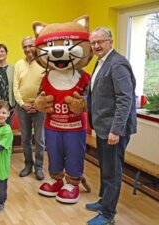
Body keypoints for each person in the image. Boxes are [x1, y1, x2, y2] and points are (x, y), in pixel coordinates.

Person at [86, 27, 137, 225]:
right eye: (93, 43)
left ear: (110, 42)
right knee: (106, 169)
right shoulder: (100, 62)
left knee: (113, 171)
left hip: (114, 130)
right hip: (102, 127)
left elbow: (125, 100)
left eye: (100, 41)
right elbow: (99, 92)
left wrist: (116, 130)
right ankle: (103, 202)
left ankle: (108, 214)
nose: (96, 46)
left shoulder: (118, 64)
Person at [13, 36, 46, 180]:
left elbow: (47, 86)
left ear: (36, 46)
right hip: (22, 107)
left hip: (40, 108)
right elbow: (15, 87)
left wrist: (37, 103)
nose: (28, 49)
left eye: (30, 46)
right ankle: (28, 164)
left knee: (39, 139)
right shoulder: (19, 64)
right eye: (25, 47)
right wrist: (22, 104)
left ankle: (39, 167)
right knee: (25, 139)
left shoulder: (44, 62)